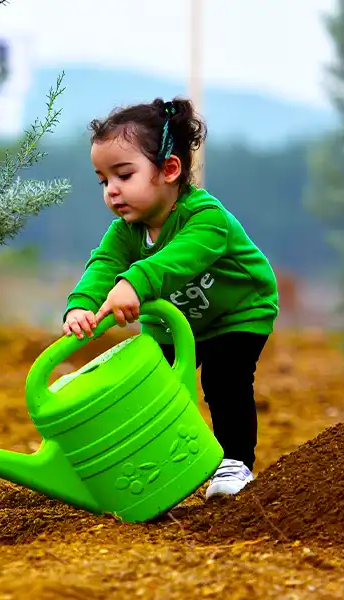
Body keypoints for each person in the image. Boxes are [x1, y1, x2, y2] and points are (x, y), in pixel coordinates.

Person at [61, 97, 279, 500]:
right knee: (153, 387)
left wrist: (134, 283)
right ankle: (156, 466)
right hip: (172, 321)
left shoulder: (206, 218)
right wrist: (82, 303)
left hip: (235, 314)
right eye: (103, 180)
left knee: (223, 379)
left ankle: (235, 463)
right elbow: (103, 263)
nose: (112, 190)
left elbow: (179, 260)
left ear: (169, 169)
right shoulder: (126, 231)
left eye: (124, 175)